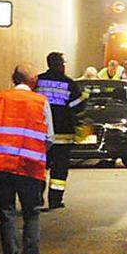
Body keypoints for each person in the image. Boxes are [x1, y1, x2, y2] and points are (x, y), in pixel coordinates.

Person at [0, 63, 54, 254]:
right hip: (30, 167)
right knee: (32, 214)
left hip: (1, 167)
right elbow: (49, 138)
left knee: (7, 214)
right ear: (34, 80)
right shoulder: (41, 102)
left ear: (13, 78)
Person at [35, 51, 85, 210]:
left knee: (39, 168)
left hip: (40, 135)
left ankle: (36, 198)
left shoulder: (38, 81)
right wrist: (85, 97)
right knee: (59, 171)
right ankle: (55, 200)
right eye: (63, 63)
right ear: (59, 65)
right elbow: (78, 107)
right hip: (63, 135)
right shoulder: (69, 83)